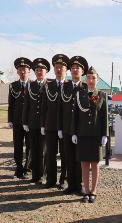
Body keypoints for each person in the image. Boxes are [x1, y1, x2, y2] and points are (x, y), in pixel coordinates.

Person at [71, 66, 108, 203]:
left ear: (97, 80)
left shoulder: (102, 95)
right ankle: (85, 191)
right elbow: (75, 116)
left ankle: (94, 191)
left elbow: (104, 116)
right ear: (85, 80)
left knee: (95, 164)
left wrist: (105, 134)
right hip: (83, 134)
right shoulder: (80, 94)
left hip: (96, 135)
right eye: (89, 78)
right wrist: (74, 132)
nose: (91, 80)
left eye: (94, 78)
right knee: (84, 164)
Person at [58, 56, 88, 195]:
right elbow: (59, 109)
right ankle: (71, 185)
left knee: (80, 158)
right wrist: (59, 127)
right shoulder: (64, 86)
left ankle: (80, 185)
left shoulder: (86, 88)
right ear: (70, 71)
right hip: (67, 128)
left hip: (81, 130)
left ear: (82, 72)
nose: (75, 70)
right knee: (68, 158)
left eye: (78, 68)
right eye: (73, 68)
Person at [41, 54, 68, 188]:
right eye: (57, 67)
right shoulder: (48, 86)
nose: (59, 70)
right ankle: (51, 180)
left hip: (65, 126)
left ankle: (63, 180)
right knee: (50, 154)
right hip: (50, 125)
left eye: (62, 67)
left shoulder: (69, 86)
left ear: (66, 70)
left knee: (65, 154)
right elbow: (43, 107)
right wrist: (42, 124)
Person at [22, 58, 50, 184]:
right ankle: (35, 176)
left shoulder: (50, 85)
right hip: (33, 123)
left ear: (46, 72)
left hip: (45, 124)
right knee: (34, 150)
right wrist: (24, 122)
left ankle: (43, 176)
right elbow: (26, 105)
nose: (39, 72)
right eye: (37, 70)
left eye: (42, 70)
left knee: (44, 151)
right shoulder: (30, 85)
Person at [8, 57, 32, 179]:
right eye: (20, 69)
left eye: (25, 69)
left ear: (29, 71)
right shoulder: (13, 86)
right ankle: (18, 168)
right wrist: (10, 120)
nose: (23, 72)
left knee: (29, 146)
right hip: (17, 121)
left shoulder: (33, 85)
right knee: (17, 145)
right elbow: (10, 104)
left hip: (29, 121)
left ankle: (27, 168)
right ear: (17, 72)